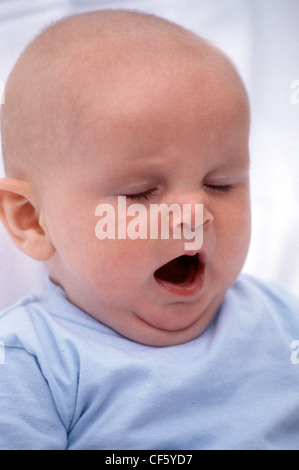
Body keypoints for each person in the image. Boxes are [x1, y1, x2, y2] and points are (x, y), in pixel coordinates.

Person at [0, 9, 298, 450]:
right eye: (141, 193)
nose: (195, 212)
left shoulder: (277, 317)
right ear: (32, 220)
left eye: (222, 183)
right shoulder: (33, 361)